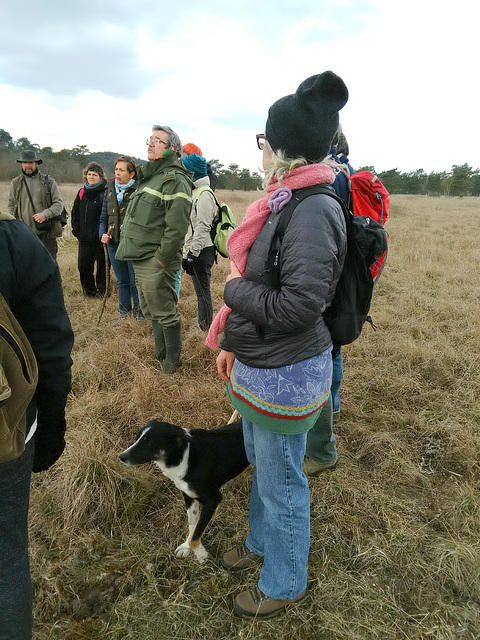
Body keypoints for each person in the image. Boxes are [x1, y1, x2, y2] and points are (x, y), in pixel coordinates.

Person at [207, 71, 348, 619]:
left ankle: (284, 582)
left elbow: (295, 307)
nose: (260, 150)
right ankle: (262, 546)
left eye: (263, 140)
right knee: (263, 466)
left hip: (285, 374)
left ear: (280, 147)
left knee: (282, 482)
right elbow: (271, 286)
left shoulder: (312, 208)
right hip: (262, 362)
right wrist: (236, 345)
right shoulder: (286, 200)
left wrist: (231, 290)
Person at [0, 211, 74, 640]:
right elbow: (49, 343)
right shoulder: (11, 240)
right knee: (5, 560)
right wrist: (49, 425)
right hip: (8, 432)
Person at [115, 126, 193, 374]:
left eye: (157, 140)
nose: (151, 143)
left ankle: (172, 360)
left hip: (155, 258)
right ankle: (160, 352)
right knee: (150, 308)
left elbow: (177, 225)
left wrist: (162, 258)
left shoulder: (175, 179)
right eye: (150, 139)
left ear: (172, 149)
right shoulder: (151, 176)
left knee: (164, 310)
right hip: (141, 254)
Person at [303, 125, 356, 477]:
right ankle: (332, 407)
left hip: (326, 282)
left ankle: (322, 446)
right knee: (330, 350)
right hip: (336, 276)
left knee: (324, 353)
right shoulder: (342, 169)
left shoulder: (329, 175)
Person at [99, 156, 143, 323]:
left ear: (131, 174)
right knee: (122, 281)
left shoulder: (138, 191)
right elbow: (103, 216)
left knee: (134, 281)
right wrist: (102, 234)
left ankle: (140, 315)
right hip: (113, 243)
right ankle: (124, 315)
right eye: (116, 169)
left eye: (122, 170)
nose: (117, 173)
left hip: (132, 244)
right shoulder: (109, 190)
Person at [7, 149, 65, 260]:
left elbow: (59, 204)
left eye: (30, 162)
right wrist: (13, 226)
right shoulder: (15, 183)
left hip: (46, 234)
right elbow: (11, 205)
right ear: (21, 164)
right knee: (26, 269)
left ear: (36, 164)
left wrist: (45, 214)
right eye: (25, 163)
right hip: (24, 235)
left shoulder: (49, 182)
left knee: (49, 268)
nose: (27, 165)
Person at [181, 152, 217, 331]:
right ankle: (203, 324)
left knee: (204, 293)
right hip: (196, 251)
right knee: (200, 292)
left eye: (185, 169)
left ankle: (206, 328)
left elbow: (203, 227)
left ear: (193, 172)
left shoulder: (204, 194)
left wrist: (192, 255)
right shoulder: (195, 191)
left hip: (203, 252)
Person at [71, 162, 108, 297]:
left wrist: (102, 233)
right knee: (83, 266)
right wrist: (76, 231)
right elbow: (75, 212)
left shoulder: (105, 193)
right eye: (89, 174)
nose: (91, 177)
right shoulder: (82, 193)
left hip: (100, 238)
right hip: (84, 238)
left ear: (100, 177)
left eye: (94, 175)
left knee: (102, 267)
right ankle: (88, 291)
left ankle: (102, 291)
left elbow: (107, 215)